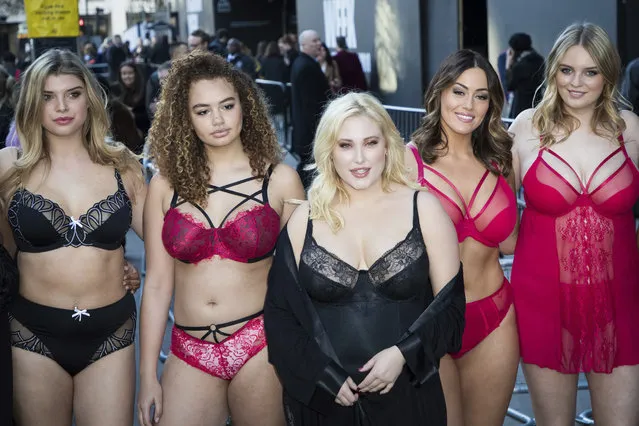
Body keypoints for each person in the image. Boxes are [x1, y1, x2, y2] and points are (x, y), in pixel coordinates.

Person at [264, 92, 465, 425]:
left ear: (388, 145)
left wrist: (404, 354)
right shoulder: (305, 219)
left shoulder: (424, 208)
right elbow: (281, 315)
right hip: (327, 404)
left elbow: (451, 309)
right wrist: (322, 374)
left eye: (370, 143)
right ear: (330, 151)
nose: (359, 158)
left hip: (409, 396)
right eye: (345, 145)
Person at [138, 51, 304, 426]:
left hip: (259, 343)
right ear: (186, 118)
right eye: (202, 110)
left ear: (244, 106)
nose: (218, 119)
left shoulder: (281, 180)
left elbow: (299, 280)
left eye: (227, 106)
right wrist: (148, 376)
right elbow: (157, 285)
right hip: (188, 347)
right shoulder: (165, 186)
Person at [0, 49, 146, 425]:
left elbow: (172, 245)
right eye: (48, 96)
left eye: (73, 94)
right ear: (33, 102)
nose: (62, 106)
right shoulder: (8, 167)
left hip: (111, 332)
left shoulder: (123, 165)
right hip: (32, 333)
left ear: (90, 99)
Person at [509, 22, 639, 425]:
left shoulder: (630, 130)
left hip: (619, 305)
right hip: (543, 304)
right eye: (566, 70)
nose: (576, 82)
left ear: (608, 75)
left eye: (590, 72)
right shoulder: (526, 129)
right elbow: (490, 213)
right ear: (552, 72)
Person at [406, 49, 519, 426]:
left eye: (481, 95)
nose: (469, 104)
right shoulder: (408, 162)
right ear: (439, 92)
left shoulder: (501, 159)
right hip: (431, 321)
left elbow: (511, 242)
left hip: (495, 316)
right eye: (459, 91)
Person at [290, 29, 330, 187]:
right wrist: (319, 130)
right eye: (314, 41)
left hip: (306, 130)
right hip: (311, 132)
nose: (319, 44)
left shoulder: (303, 63)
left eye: (319, 39)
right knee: (310, 170)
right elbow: (311, 105)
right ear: (304, 44)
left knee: (308, 168)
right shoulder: (306, 67)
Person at [505, 33, 545, 119]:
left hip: (521, 108)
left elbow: (509, 85)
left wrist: (508, 66)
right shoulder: (540, 60)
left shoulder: (519, 66)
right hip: (537, 105)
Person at [117, 61, 150, 137]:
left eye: (130, 73)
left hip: (144, 132)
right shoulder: (117, 91)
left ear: (136, 74)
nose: (127, 76)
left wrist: (131, 114)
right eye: (124, 74)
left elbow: (149, 115)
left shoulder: (145, 90)